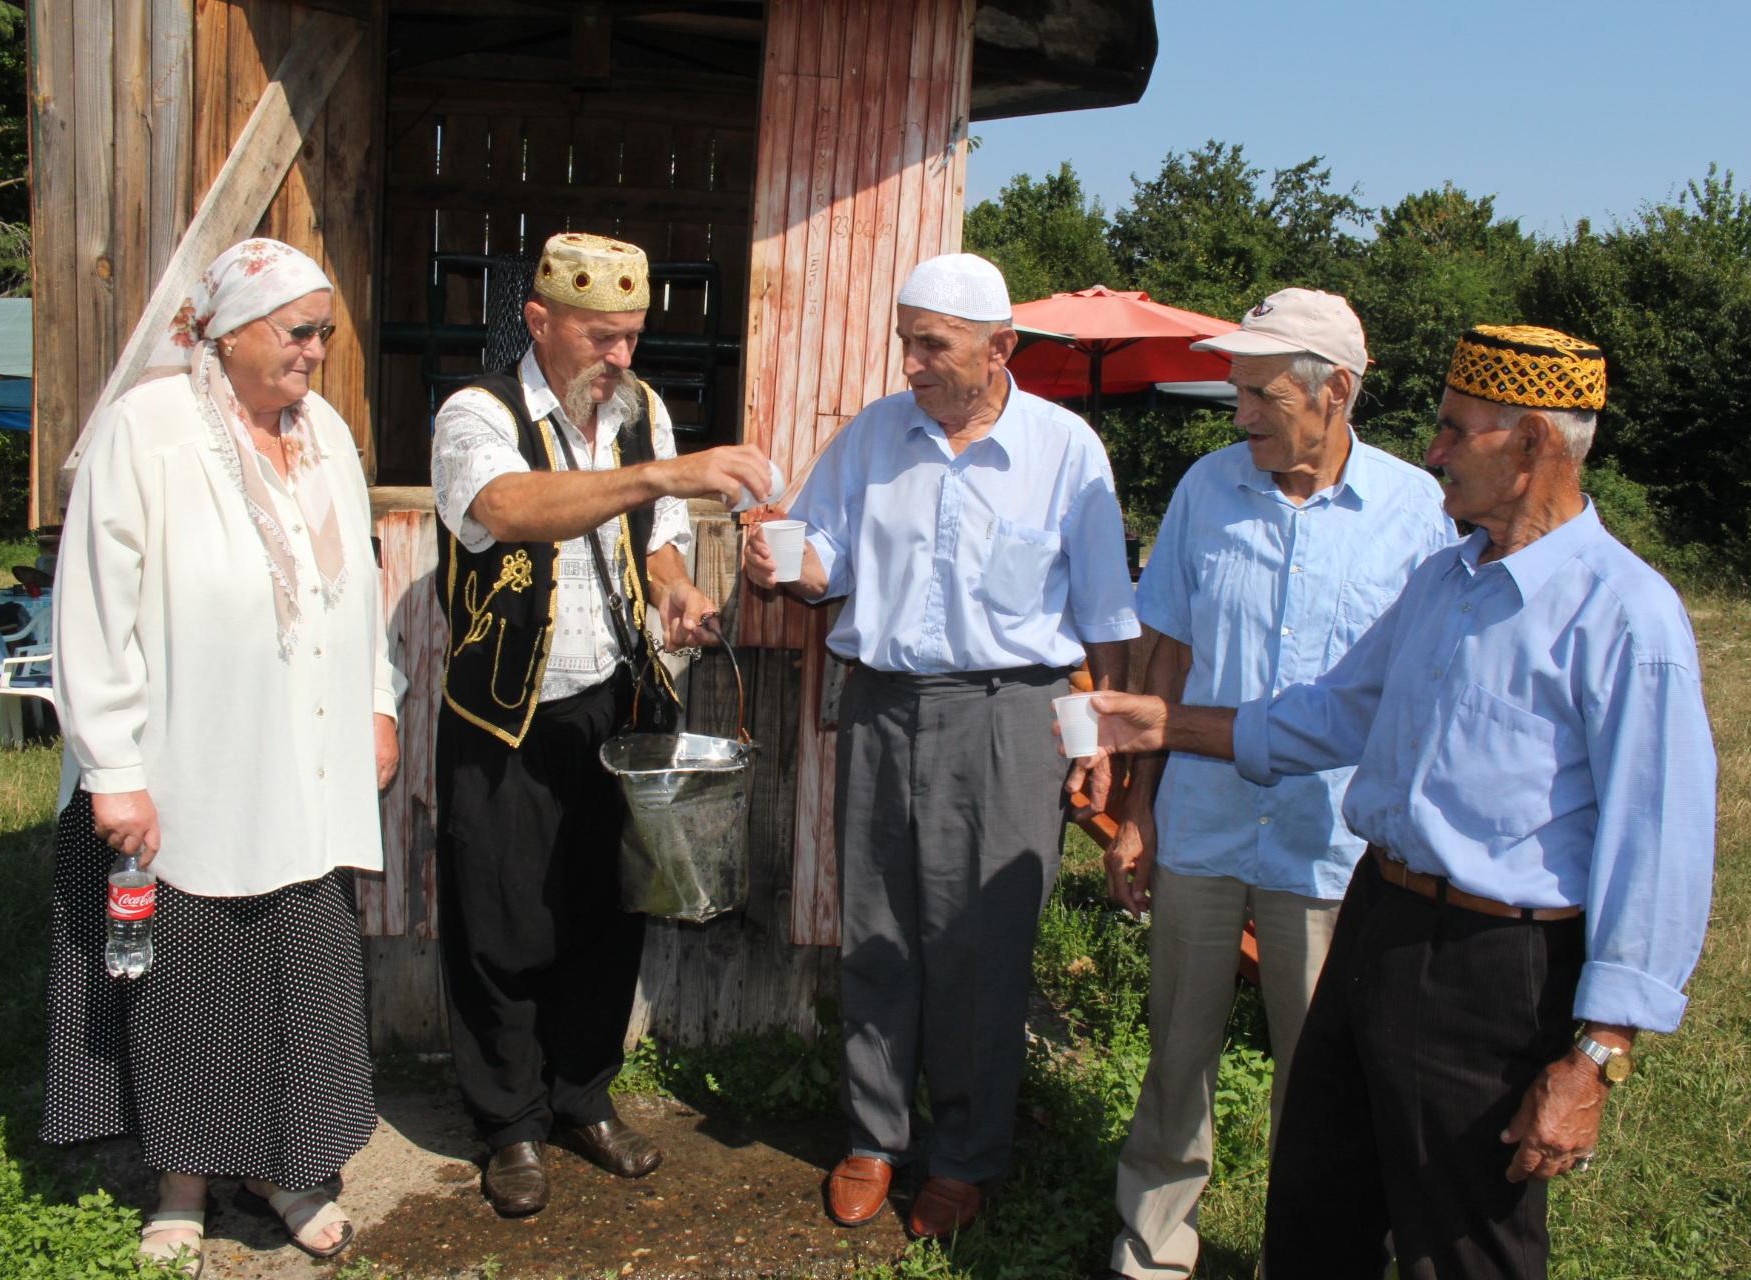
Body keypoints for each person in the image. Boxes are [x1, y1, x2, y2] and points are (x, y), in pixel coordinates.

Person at [1082, 325, 1717, 1279]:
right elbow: (1330, 716)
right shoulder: (1446, 579)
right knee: (1321, 1201)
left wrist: (1597, 1055)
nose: (1433, 453)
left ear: (1536, 442)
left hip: (1496, 964)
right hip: (1377, 918)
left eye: (1459, 432)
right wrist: (1162, 725)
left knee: (1462, 1237)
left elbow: (1660, 846)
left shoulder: (1623, 614)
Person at [742, 252, 1139, 1241]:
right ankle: (877, 1136)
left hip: (1012, 715)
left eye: (933, 344)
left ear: (998, 348)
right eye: (906, 340)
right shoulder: (877, 435)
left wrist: (1098, 744)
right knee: (877, 929)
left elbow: (1104, 617)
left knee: (982, 946)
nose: (910, 362)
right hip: (881, 702)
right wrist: (782, 558)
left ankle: (964, 1154)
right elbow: (823, 551)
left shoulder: (1065, 450)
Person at [44, 238, 401, 1276]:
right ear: (229, 330)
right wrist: (112, 765)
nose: (319, 352)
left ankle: (286, 1169)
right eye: (300, 331)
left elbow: (357, 588)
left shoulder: (324, 430)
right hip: (190, 760)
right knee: (188, 980)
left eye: (326, 331)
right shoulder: (148, 430)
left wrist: (376, 702)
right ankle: (183, 1181)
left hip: (306, 763)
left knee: (300, 975)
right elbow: (94, 604)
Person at [1101, 290, 1454, 1280]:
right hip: (1204, 823)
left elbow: (1426, 683)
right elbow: (1164, 658)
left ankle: (1307, 1256)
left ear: (1335, 391)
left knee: (1324, 1072)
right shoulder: (1206, 492)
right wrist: (1138, 812)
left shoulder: (1416, 513)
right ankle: (1152, 1241)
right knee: (1177, 1051)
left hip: (1331, 843)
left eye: (1260, 393)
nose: (1241, 412)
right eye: (1237, 391)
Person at [430, 232, 774, 1218]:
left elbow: (658, 546)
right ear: (538, 321)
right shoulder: (477, 412)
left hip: (619, 702)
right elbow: (507, 506)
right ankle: (510, 1124)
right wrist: (662, 477)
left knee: (606, 912)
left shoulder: (644, 411)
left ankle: (582, 1095)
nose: (620, 358)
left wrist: (677, 591)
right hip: (506, 713)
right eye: (600, 336)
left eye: (631, 337)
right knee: (500, 920)